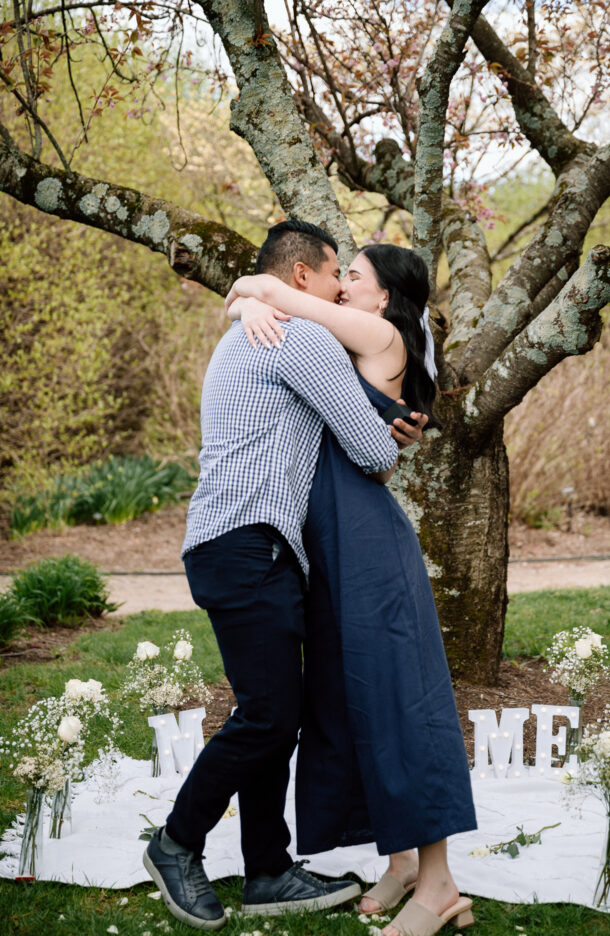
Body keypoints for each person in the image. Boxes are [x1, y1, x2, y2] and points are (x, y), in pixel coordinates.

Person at [143, 221, 421, 931]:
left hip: (248, 548)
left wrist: (247, 298)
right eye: (336, 276)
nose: (340, 290)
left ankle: (268, 869)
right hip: (246, 547)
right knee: (268, 715)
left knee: (276, 712)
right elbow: (368, 451)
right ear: (303, 278)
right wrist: (385, 427)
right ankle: (176, 844)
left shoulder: (257, 331)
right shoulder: (301, 338)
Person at [226, 243, 477, 936]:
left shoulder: (383, 332)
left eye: (354, 278)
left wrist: (251, 288)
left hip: (366, 546)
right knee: (352, 700)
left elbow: (289, 299)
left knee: (398, 700)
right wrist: (249, 301)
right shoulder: (346, 338)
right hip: (330, 545)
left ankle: (439, 884)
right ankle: (399, 864)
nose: (343, 289)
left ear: (384, 297)